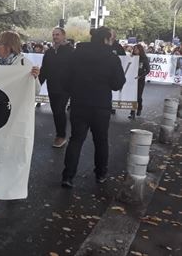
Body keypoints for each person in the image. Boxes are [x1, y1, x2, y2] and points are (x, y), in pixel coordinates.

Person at [61, 27, 126, 188]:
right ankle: (101, 174)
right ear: (106, 39)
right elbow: (118, 83)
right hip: (101, 105)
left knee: (75, 140)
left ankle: (68, 176)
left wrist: (75, 91)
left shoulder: (76, 54)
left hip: (79, 103)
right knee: (101, 141)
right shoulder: (112, 58)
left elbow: (65, 79)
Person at [0, 31, 41, 206]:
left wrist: (35, 77)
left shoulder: (24, 63)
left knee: (11, 154)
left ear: (8, 46)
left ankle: (9, 189)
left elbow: (36, 90)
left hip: (15, 117)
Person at [39, 27, 74, 148]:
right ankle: (60, 133)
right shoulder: (48, 52)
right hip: (52, 86)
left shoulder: (71, 51)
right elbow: (44, 70)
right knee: (56, 112)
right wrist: (37, 84)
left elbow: (76, 70)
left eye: (57, 34)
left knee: (59, 110)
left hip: (65, 87)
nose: (55, 37)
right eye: (53, 35)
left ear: (63, 35)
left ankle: (61, 136)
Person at [129, 44, 150, 119]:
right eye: (134, 49)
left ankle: (139, 107)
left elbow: (148, 70)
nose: (135, 50)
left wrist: (140, 76)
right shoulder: (132, 57)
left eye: (136, 49)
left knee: (138, 96)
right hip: (132, 79)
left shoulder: (144, 59)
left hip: (140, 80)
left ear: (140, 50)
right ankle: (132, 112)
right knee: (132, 96)